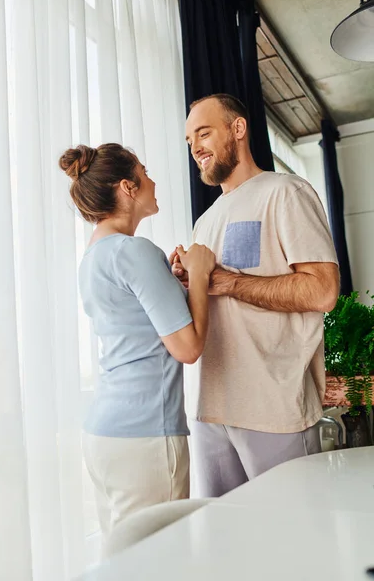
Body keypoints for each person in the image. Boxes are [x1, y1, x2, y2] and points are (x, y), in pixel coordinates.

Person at [171, 94, 340, 498]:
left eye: (204, 133)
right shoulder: (205, 221)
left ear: (238, 129)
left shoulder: (285, 192)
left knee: (290, 539)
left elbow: (323, 290)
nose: (195, 147)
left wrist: (230, 282)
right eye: (189, 139)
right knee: (228, 546)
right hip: (211, 410)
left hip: (273, 407)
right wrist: (187, 282)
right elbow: (211, 298)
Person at [59, 143, 215, 556]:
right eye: (146, 173)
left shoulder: (94, 256)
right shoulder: (135, 252)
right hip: (146, 437)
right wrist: (199, 275)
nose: (155, 182)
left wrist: (172, 280)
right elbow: (187, 347)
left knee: (125, 561)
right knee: (160, 563)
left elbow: (138, 322)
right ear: (128, 187)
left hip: (105, 435)